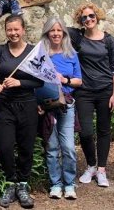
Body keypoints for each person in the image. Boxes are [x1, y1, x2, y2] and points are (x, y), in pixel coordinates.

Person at [0, 15, 42, 209]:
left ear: (23, 29)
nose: (13, 33)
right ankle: (10, 183)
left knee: (26, 147)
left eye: (16, 29)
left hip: (27, 104)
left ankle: (23, 185)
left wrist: (20, 82)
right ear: (5, 30)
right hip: (4, 106)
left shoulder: (33, 51)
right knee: (5, 146)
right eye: (9, 30)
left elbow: (40, 81)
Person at [67, 3, 114, 188]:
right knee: (86, 131)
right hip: (84, 92)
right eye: (84, 18)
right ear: (79, 21)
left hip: (105, 91)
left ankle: (102, 170)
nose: (88, 19)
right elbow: (57, 29)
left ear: (97, 17)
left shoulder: (109, 41)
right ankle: (90, 165)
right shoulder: (77, 38)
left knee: (104, 130)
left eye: (91, 16)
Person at [40, 17, 82, 200]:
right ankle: (56, 184)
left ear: (63, 33)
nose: (56, 34)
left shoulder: (71, 54)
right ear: (47, 33)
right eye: (52, 30)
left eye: (59, 31)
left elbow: (79, 81)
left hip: (67, 105)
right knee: (52, 147)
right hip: (47, 105)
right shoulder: (41, 55)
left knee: (69, 147)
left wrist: (63, 79)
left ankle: (70, 183)